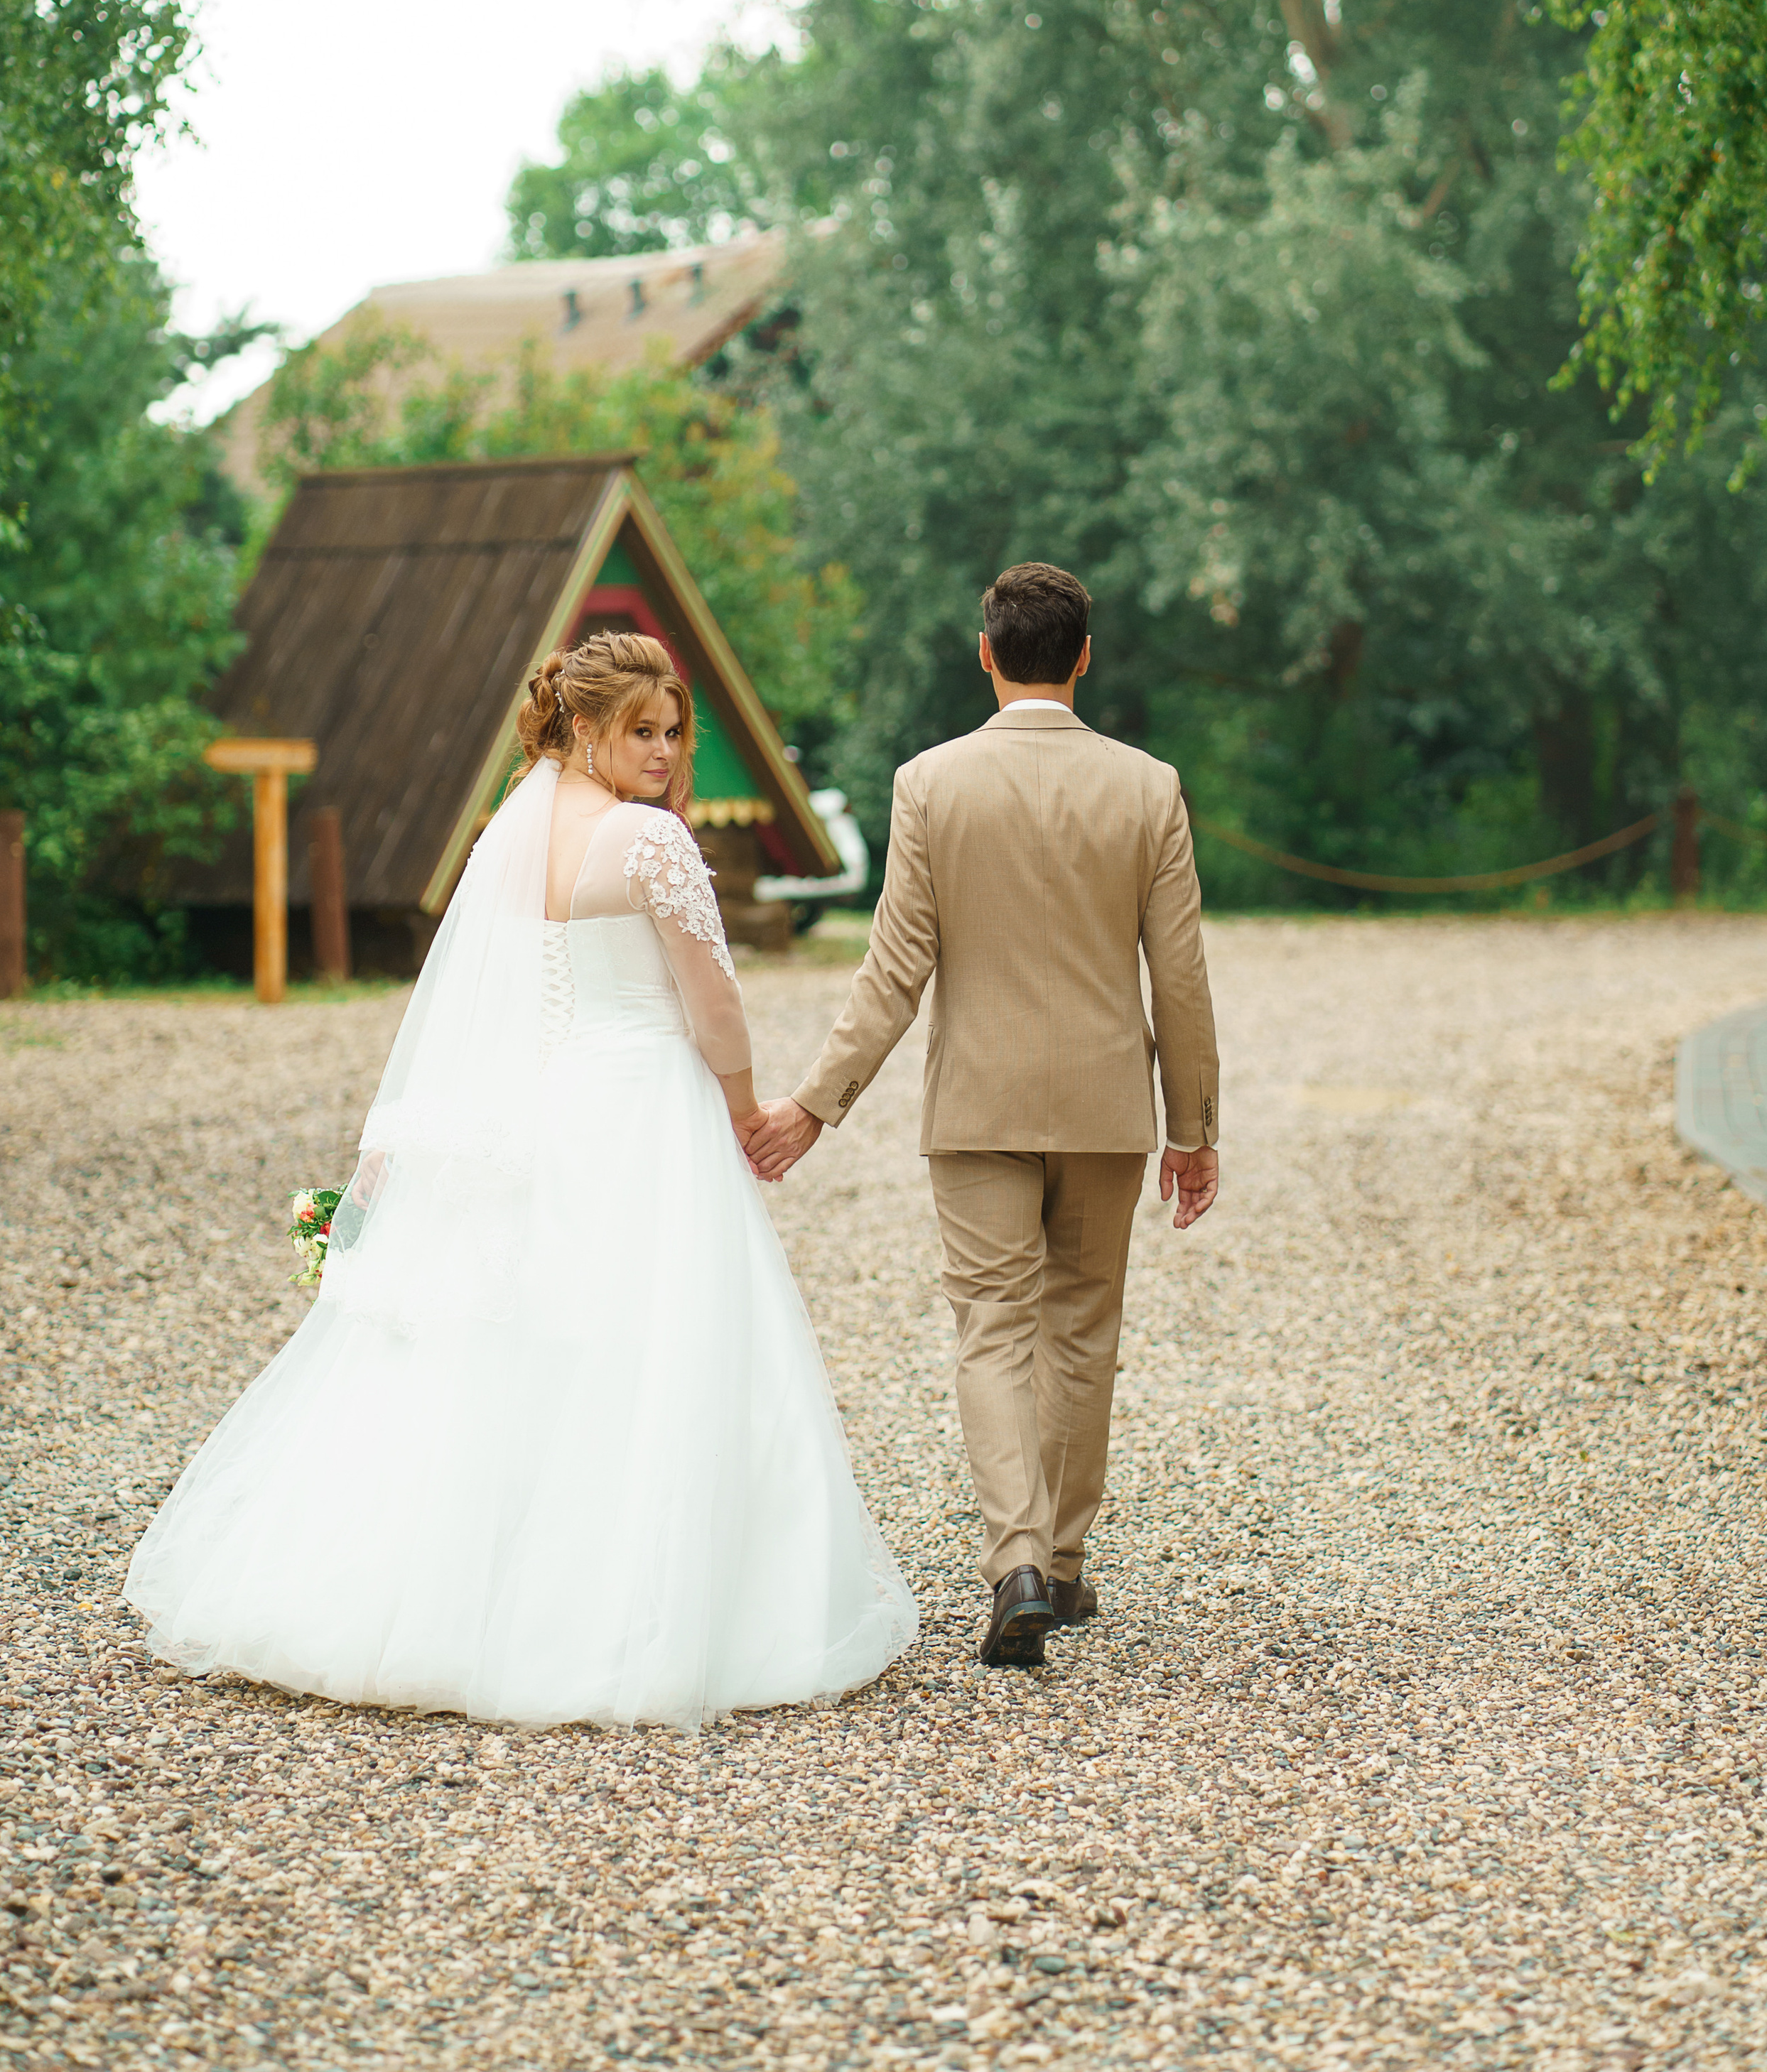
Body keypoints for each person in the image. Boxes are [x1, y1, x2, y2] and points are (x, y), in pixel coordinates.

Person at [127, 631, 916, 1730]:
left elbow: (491, 1002)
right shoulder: (652, 842)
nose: (662, 749)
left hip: (558, 1099)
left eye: (672, 730)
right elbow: (715, 1004)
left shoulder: (519, 829)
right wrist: (745, 1111)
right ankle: (640, 1610)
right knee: (658, 1343)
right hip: (646, 1103)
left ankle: (464, 1599)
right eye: (641, 730)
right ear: (585, 727)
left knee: (537, 1337)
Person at [746, 563, 1219, 1669]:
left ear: (986, 652)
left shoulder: (930, 784)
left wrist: (817, 1105)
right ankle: (1058, 1562)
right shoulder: (1150, 787)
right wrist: (1194, 1128)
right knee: (1082, 1330)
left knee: (993, 1327)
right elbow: (1181, 977)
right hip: (1109, 1107)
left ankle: (1012, 1564)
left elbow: (895, 968)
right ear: (1086, 655)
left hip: (976, 1108)